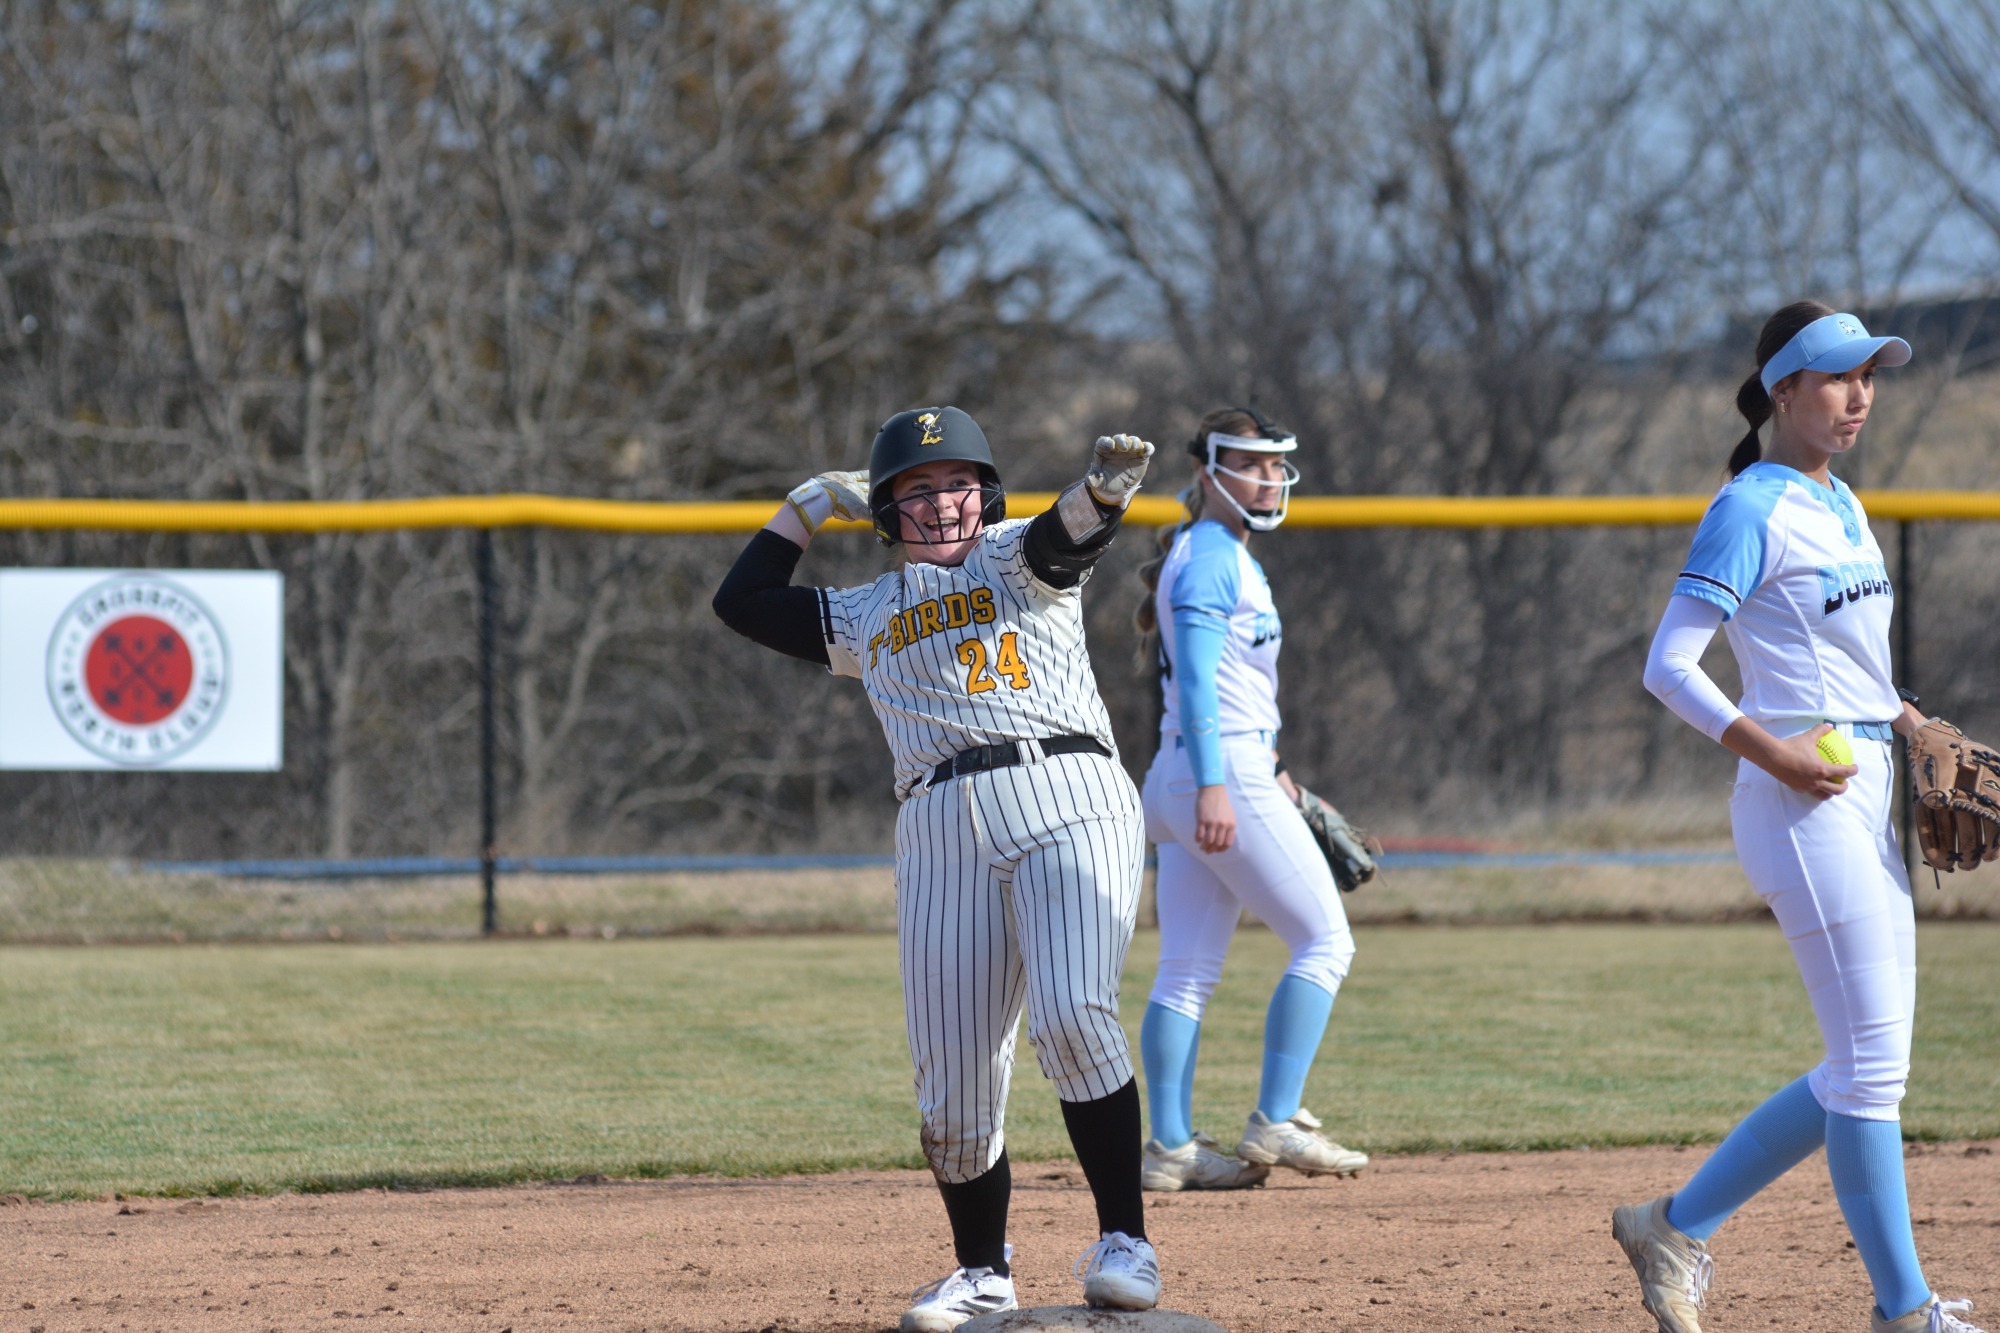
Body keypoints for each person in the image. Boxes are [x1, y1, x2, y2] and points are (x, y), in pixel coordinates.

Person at [712, 407, 1162, 1331]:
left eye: (957, 482)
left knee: (1074, 1011)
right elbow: (744, 602)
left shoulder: (1009, 557)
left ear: (984, 494)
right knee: (952, 1086)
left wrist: (1103, 494)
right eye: (916, 488)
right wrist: (803, 506)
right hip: (935, 826)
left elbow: (1063, 543)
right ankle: (981, 1269)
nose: (942, 501)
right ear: (885, 511)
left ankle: (1125, 1240)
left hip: (1064, 791)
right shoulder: (865, 614)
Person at [1616, 303, 1983, 1333]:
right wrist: (1769, 747)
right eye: (1833, 375)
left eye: (1869, 373)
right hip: (1797, 800)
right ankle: (1901, 1310)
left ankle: (1671, 1224)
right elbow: (1667, 665)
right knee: (1870, 1069)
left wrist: (1907, 719)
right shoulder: (1751, 506)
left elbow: (1849, 663)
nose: (1857, 393)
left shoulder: (1841, 503)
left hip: (1864, 787)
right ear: (1781, 388)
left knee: (1864, 1065)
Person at [1132, 406, 1366, 1193]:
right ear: (1208, 473)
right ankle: (1276, 1117)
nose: (1268, 478)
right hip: (1212, 770)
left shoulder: (1220, 551)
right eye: (1251, 463)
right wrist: (1215, 786)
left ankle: (1168, 1146)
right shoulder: (1209, 555)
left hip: (1200, 767)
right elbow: (1197, 680)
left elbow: (1228, 684)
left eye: (1274, 464)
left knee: (1187, 971)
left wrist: (1275, 771)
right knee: (1325, 942)